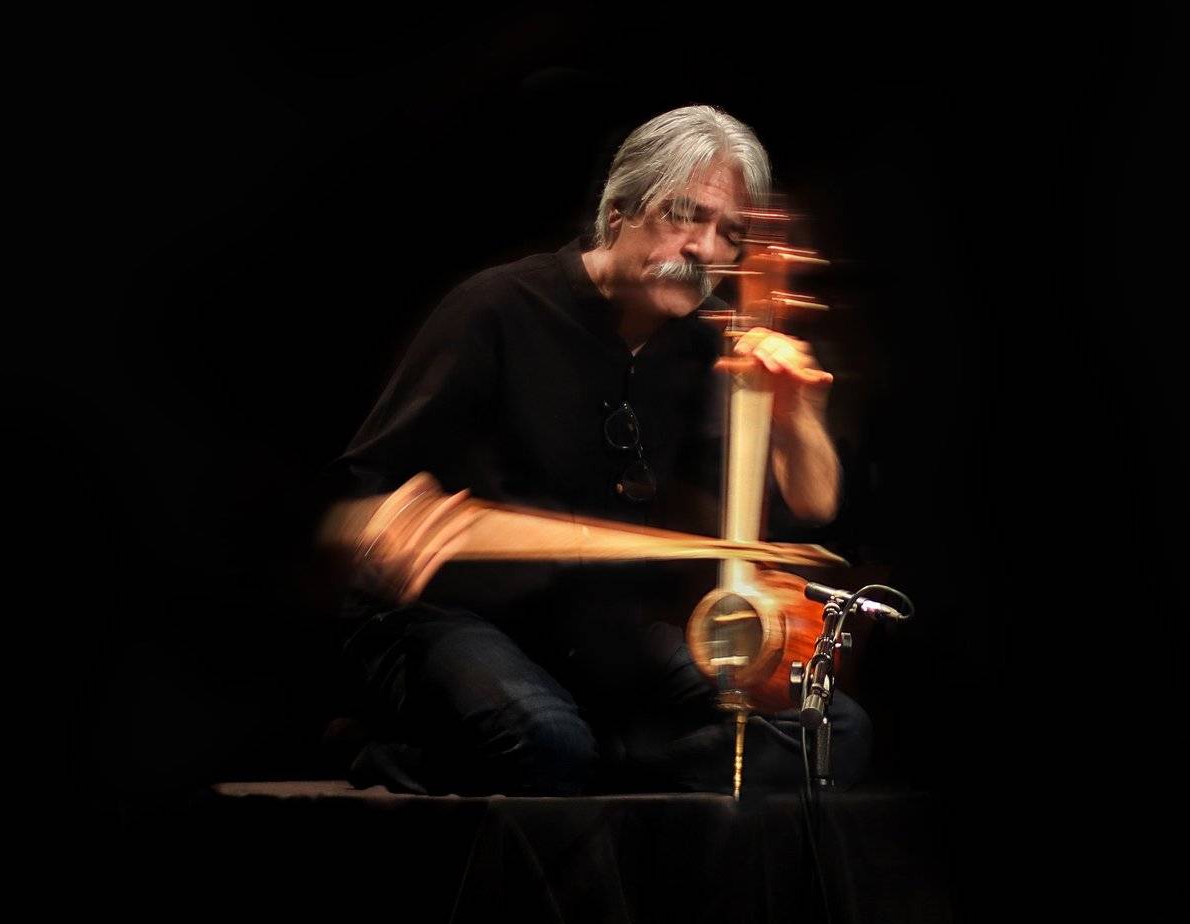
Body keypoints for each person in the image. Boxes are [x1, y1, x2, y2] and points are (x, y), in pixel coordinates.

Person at [328, 105, 871, 796]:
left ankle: (599, 772)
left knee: (832, 730)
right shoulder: (496, 308)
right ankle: (393, 750)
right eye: (685, 216)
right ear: (619, 213)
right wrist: (386, 521)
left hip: (598, 634)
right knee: (544, 741)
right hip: (456, 621)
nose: (705, 249)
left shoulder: (704, 349)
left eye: (729, 233)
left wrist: (798, 414)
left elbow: (809, 508)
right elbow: (362, 491)